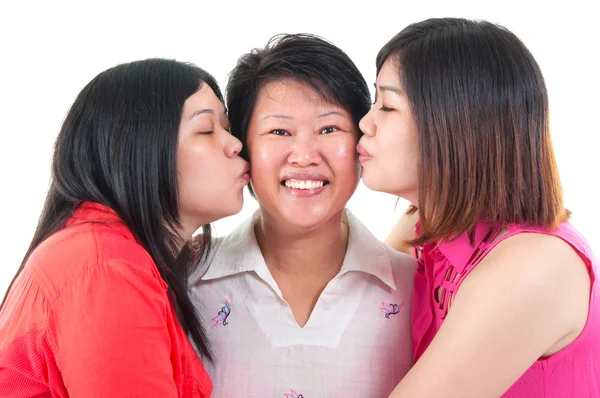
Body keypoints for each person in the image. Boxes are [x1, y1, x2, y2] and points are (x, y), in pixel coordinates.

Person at [357, 17, 599, 397]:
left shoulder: (534, 266)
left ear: (455, 124)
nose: (365, 124)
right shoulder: (420, 226)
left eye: (387, 106)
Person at [0, 58, 250, 397]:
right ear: (138, 148)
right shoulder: (106, 269)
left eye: (228, 129)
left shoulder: (110, 257)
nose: (235, 144)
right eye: (207, 130)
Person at [190, 34, 417, 397]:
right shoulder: (183, 276)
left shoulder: (417, 289)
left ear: (362, 141)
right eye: (279, 131)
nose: (304, 154)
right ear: (241, 146)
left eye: (329, 129)